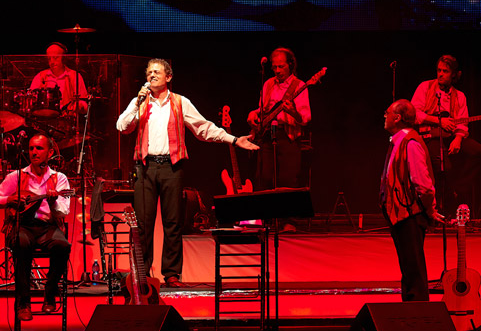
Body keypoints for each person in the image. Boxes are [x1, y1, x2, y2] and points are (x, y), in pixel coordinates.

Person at [116, 58, 259, 288]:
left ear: (168, 77)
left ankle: (172, 274)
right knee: (142, 225)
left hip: (171, 167)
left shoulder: (180, 102)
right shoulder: (139, 102)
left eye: (157, 72)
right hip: (145, 168)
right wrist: (136, 104)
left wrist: (233, 139)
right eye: (149, 72)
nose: (152, 75)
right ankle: (142, 276)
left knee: (173, 222)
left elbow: (203, 128)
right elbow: (122, 127)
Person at [0, 133, 71, 320]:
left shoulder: (59, 179)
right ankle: (23, 303)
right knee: (20, 243)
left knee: (63, 246)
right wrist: (8, 200)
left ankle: (50, 293)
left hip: (47, 226)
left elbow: (63, 211)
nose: (34, 152)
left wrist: (53, 202)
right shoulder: (16, 176)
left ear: (50, 152)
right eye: (31, 148)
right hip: (23, 226)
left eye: (39, 148)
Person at [380, 99, 443, 302]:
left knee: (414, 268)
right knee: (408, 267)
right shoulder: (399, 141)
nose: (384, 116)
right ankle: (410, 309)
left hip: (410, 213)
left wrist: (429, 209)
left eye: (387, 113)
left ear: (397, 118)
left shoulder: (411, 143)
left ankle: (419, 310)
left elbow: (423, 184)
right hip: (401, 213)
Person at [411, 55, 481, 217]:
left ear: (454, 74)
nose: (441, 74)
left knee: (478, 152)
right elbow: (414, 113)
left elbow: (463, 122)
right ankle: (444, 204)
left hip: (451, 135)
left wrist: (458, 138)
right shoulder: (425, 87)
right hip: (430, 136)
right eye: (439, 70)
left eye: (445, 71)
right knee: (444, 166)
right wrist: (438, 121)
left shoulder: (460, 96)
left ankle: (459, 186)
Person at [247, 47, 311, 191]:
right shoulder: (268, 84)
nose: (277, 70)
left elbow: (306, 118)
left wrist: (293, 112)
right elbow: (263, 110)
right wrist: (253, 113)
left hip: (288, 138)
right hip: (267, 137)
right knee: (264, 180)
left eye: (281, 66)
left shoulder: (299, 86)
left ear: (290, 65)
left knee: (286, 182)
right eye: (274, 67)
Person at [30, 42, 88, 115]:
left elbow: (83, 103)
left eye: (55, 58)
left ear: (64, 58)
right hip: (44, 119)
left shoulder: (75, 76)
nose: (52, 62)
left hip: (68, 119)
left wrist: (80, 105)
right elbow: (31, 100)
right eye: (49, 59)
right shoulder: (40, 76)